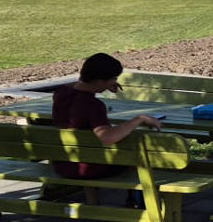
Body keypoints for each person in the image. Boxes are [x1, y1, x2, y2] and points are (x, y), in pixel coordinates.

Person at [52, 52, 163, 181]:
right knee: (138, 156)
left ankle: (92, 199)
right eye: (114, 78)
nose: (115, 81)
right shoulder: (93, 106)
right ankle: (136, 198)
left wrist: (103, 85)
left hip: (63, 164)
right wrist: (139, 119)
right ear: (99, 81)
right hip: (90, 168)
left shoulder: (61, 93)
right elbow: (107, 137)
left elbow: (77, 87)